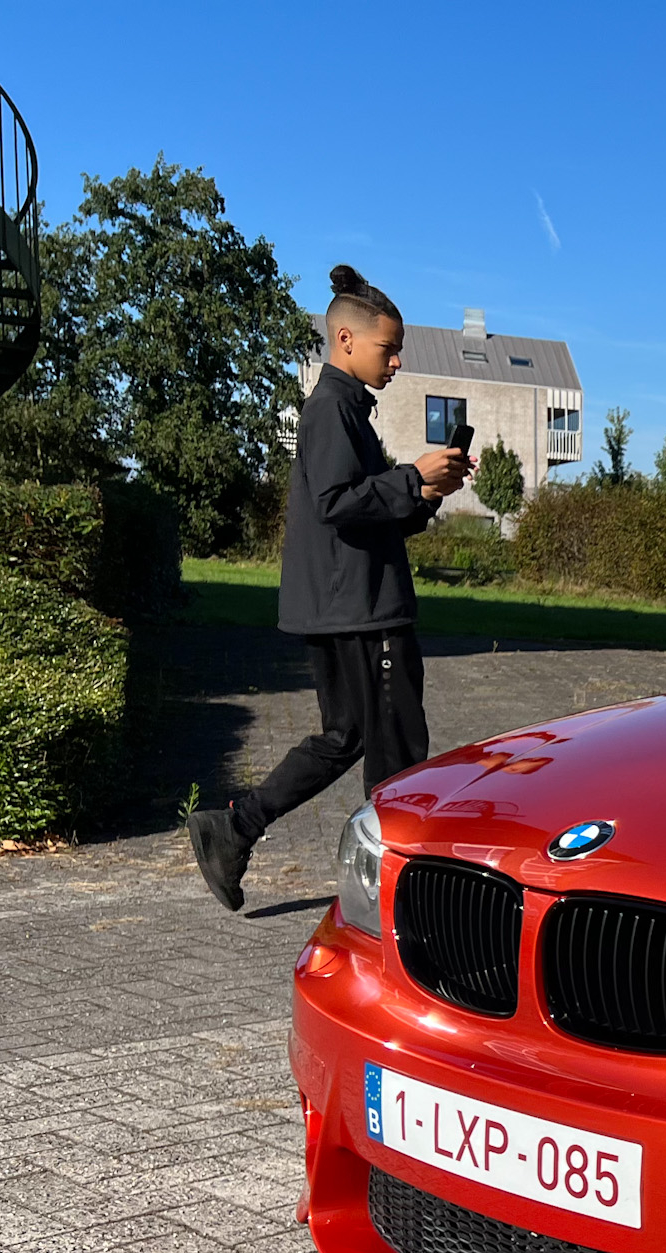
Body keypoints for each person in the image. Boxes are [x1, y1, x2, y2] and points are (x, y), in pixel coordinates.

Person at [190, 263, 469, 912]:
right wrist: (412, 478)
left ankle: (231, 827)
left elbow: (367, 510)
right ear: (346, 340)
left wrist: (427, 491)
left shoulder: (345, 412)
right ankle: (401, 898)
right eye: (388, 348)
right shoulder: (330, 411)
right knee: (398, 753)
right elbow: (340, 502)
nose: (397, 360)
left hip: (350, 605)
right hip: (363, 613)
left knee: (343, 737)